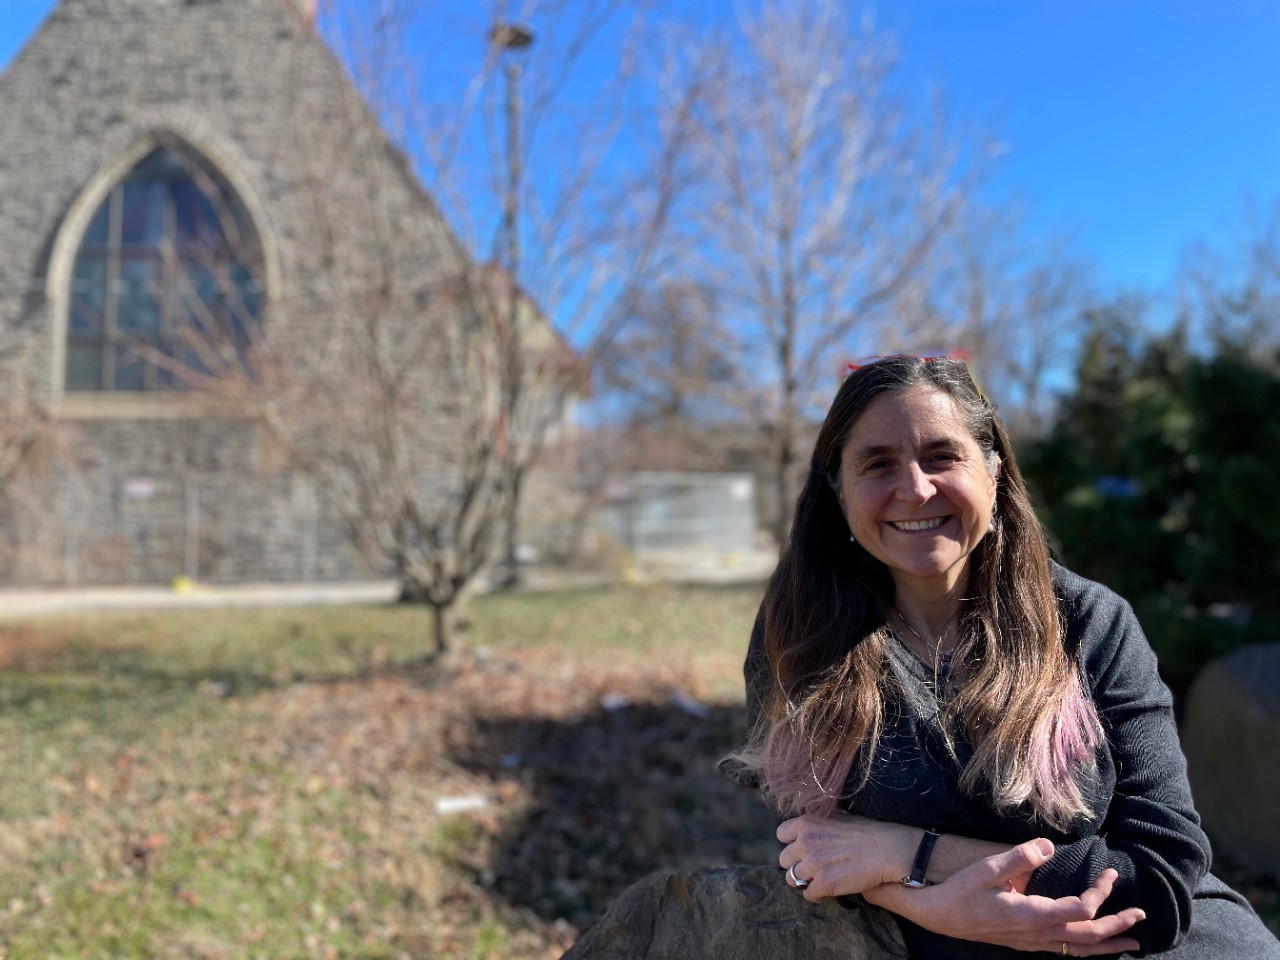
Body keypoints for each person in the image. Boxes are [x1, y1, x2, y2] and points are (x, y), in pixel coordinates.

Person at [736, 355, 1280, 958]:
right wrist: (938, 910)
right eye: (877, 463)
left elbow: (1161, 885)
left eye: (943, 456)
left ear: (994, 474)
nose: (915, 488)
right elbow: (811, 851)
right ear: (839, 493)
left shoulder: (1091, 623)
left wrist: (908, 856)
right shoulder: (799, 634)